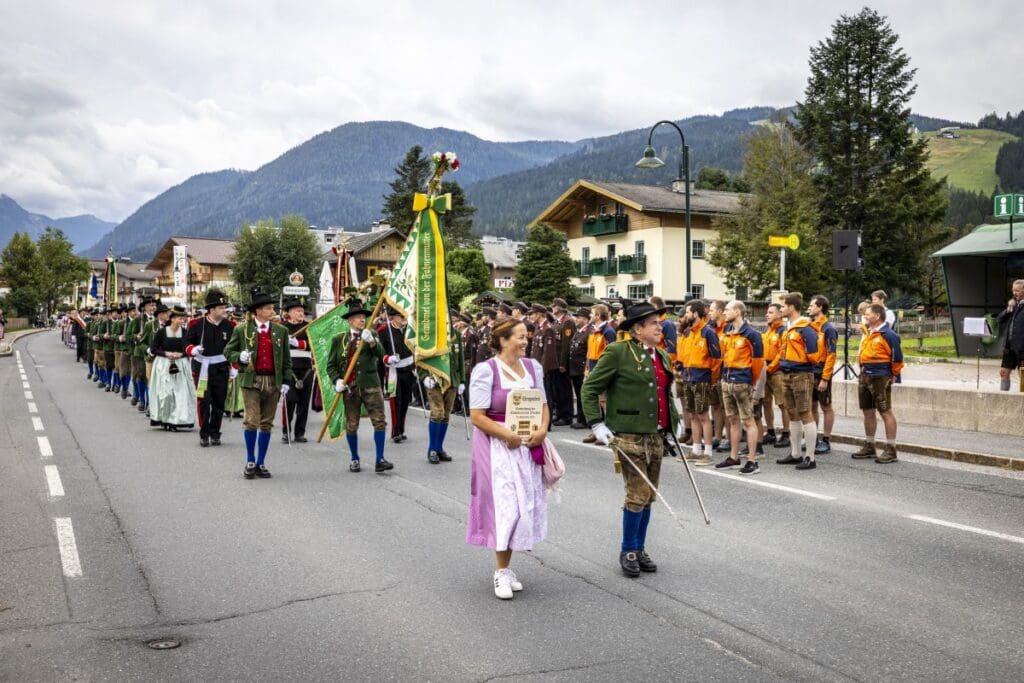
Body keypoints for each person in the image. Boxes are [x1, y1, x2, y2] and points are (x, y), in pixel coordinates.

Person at [582, 301, 679, 578]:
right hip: (628, 433)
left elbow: (664, 394)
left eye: (659, 323)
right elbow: (590, 388)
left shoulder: (661, 355)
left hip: (656, 435)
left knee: (648, 495)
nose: (660, 327)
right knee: (636, 494)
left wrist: (673, 425)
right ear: (637, 329)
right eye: (653, 323)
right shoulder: (617, 352)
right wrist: (596, 423)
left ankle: (640, 545)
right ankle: (628, 549)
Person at [466, 318, 549, 599]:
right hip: (497, 447)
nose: (526, 341)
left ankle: (507, 566)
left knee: (523, 505)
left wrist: (542, 429)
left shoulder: (533, 368)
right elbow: (477, 415)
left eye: (527, 337)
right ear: (503, 340)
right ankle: (500, 572)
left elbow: (544, 405)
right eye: (520, 337)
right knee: (506, 508)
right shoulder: (486, 371)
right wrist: (505, 435)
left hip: (526, 446)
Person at [224, 290, 295, 479]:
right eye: (268, 308)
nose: (272, 311)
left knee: (266, 423)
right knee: (252, 420)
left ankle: (261, 462)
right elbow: (228, 351)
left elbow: (286, 360)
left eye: (272, 308)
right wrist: (238, 356)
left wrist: (287, 380)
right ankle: (250, 459)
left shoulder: (281, 331)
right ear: (257, 311)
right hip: (251, 380)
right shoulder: (242, 329)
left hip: (273, 381)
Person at [326, 299, 392, 473]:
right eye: (358, 317)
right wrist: (337, 381)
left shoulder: (372, 334)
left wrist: (371, 342)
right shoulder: (338, 339)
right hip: (350, 388)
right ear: (350, 320)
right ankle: (354, 458)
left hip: (371, 385)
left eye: (363, 317)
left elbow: (381, 355)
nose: (362, 320)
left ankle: (380, 459)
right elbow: (331, 365)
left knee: (379, 422)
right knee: (352, 424)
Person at [714, 301, 764, 475]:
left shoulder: (752, 335)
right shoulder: (728, 332)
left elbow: (758, 363)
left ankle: (752, 460)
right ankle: (734, 457)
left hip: (742, 381)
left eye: (727, 310)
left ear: (737, 311)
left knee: (748, 421)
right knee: (733, 420)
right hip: (727, 380)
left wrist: (752, 383)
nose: (725, 313)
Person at [852, 303, 903, 463]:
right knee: (868, 411)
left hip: (880, 376)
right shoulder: (869, 333)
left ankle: (891, 448)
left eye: (867, 314)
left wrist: (891, 375)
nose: (865, 316)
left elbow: (897, 359)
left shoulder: (888, 334)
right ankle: (870, 445)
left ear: (877, 316)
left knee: (885, 411)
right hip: (865, 375)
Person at [775, 292, 819, 471]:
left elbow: (814, 355)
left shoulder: (805, 328)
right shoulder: (789, 328)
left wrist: (799, 361)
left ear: (792, 307)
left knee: (805, 413)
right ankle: (795, 453)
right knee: (792, 412)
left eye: (783, 306)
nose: (781, 309)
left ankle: (810, 456)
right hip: (786, 373)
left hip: (801, 374)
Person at [185, 289, 235, 447]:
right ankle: (204, 433)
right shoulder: (196, 324)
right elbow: (186, 342)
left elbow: (234, 347)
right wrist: (192, 349)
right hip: (202, 368)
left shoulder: (230, 325)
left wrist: (234, 366)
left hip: (221, 368)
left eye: (224, 307)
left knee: (219, 403)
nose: (224, 310)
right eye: (221, 308)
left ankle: (215, 433)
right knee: (204, 402)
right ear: (211, 310)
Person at [677, 300, 721, 465]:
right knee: (692, 415)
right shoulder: (688, 333)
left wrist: (712, 378)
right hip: (688, 377)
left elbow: (717, 358)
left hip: (702, 378)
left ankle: (708, 452)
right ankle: (696, 449)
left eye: (688, 312)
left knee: (703, 415)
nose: (686, 315)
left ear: (695, 313)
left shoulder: (708, 332)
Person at [422, 313, 466, 464]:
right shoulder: (430, 335)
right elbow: (421, 357)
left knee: (446, 414)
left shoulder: (457, 336)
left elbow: (460, 358)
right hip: (435, 380)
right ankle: (432, 449)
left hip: (452, 380)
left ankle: (439, 448)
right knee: (437, 412)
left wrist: (462, 380)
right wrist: (423, 376)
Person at [148, 305, 198, 432]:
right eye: (180, 319)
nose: (183, 321)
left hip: (181, 364)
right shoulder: (162, 332)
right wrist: (166, 354)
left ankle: (176, 420)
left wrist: (182, 354)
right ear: (173, 319)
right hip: (164, 365)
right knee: (166, 394)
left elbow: (191, 349)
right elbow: (153, 349)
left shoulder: (186, 333)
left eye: (183, 319)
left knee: (180, 393)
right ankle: (165, 418)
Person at [279, 298, 314, 443]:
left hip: (306, 370)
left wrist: (298, 343)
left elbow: (315, 345)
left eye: (302, 310)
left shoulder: (310, 327)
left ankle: (300, 433)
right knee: (290, 401)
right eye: (297, 310)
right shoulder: (282, 328)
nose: (301, 313)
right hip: (289, 369)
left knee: (304, 403)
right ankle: (286, 431)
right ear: (289, 313)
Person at [379, 307, 416, 443]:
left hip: (408, 370)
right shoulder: (384, 331)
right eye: (400, 316)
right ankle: (395, 431)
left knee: (405, 400)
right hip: (394, 371)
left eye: (404, 316)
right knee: (396, 402)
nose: (403, 319)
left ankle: (401, 429)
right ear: (393, 317)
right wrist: (387, 358)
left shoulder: (409, 330)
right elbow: (379, 350)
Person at [808, 295, 838, 454]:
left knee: (825, 405)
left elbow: (831, 355)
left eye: (812, 305)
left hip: (821, 372)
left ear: (820, 307)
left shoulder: (828, 329)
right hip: (810, 372)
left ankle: (826, 439)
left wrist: (825, 378)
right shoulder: (811, 326)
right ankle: (814, 437)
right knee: (812, 405)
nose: (809, 308)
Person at [761, 303, 790, 449]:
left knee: (782, 403)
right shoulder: (768, 331)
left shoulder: (782, 331)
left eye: (771, 312)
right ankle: (770, 431)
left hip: (777, 370)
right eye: (767, 312)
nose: (767, 315)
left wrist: (771, 367)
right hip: (765, 370)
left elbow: (782, 352)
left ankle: (786, 434)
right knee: (766, 402)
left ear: (779, 314)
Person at [549, 298, 576, 426]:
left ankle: (566, 415)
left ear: (558, 308)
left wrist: (563, 364)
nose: (552, 309)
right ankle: (560, 413)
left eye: (553, 307)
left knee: (564, 389)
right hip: (556, 361)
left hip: (562, 362)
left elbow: (566, 345)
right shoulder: (556, 322)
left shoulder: (567, 322)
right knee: (557, 390)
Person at [997, 279, 1024, 391]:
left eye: (1017, 290)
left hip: (1022, 347)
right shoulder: (1013, 305)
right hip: (1009, 346)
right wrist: (1009, 309)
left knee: (1023, 375)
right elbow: (999, 319)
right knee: (1003, 372)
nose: (1014, 293)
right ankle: (1002, 397)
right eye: (1013, 290)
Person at [568, 307, 591, 429]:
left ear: (586, 319)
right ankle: (581, 417)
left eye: (579, 317)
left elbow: (588, 352)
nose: (576, 319)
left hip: (582, 369)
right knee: (579, 394)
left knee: (583, 395)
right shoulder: (579, 331)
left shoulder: (589, 332)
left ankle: (584, 419)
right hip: (575, 368)